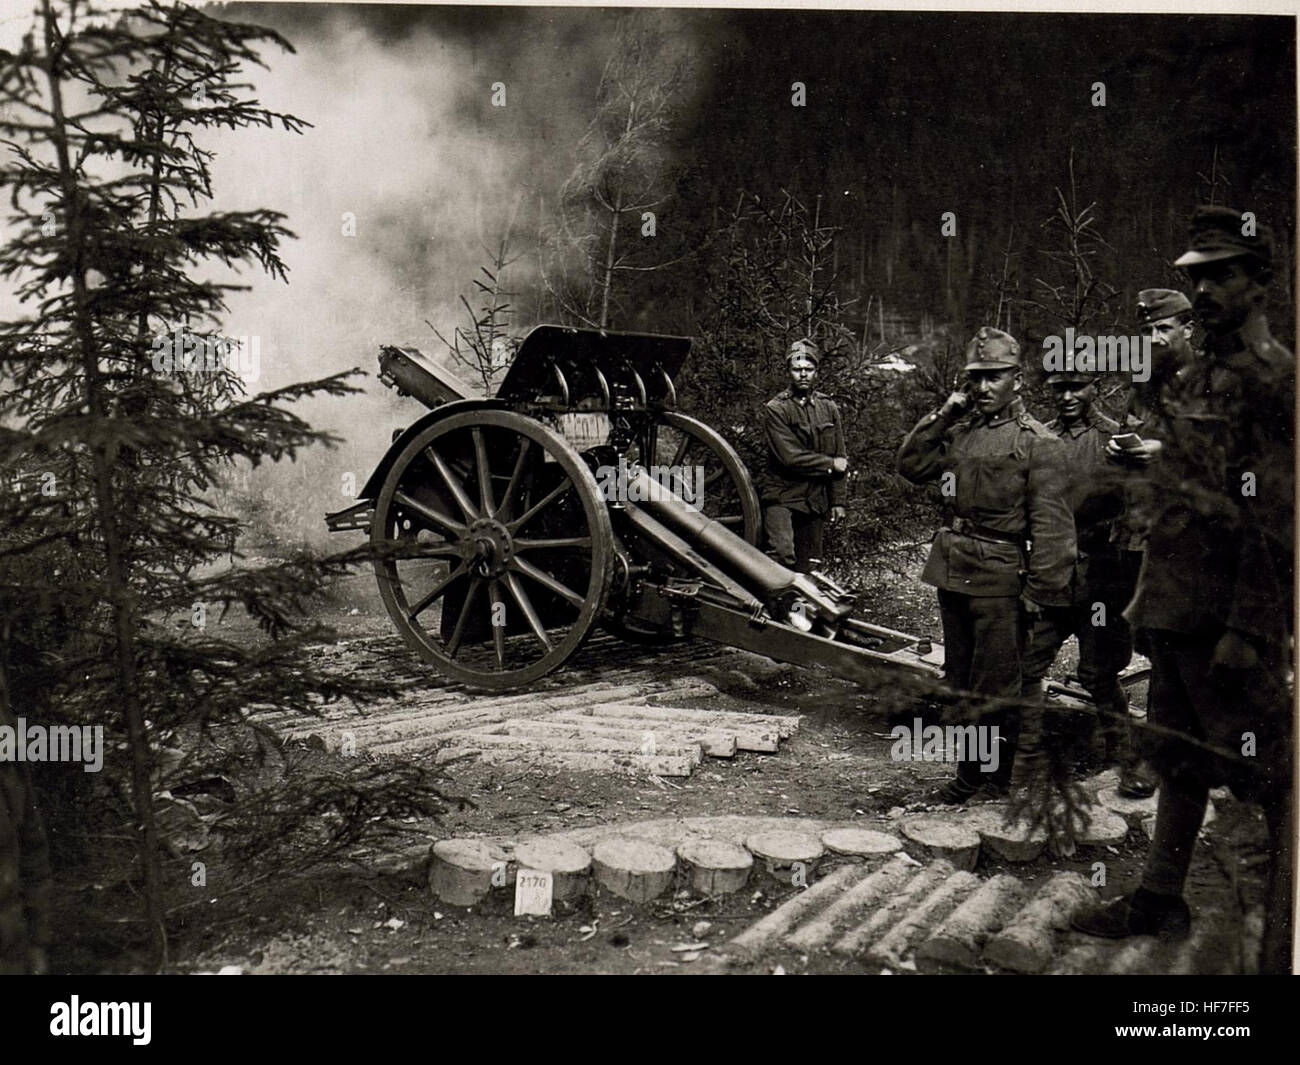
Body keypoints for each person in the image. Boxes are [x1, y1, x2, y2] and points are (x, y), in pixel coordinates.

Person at [1072, 206, 1294, 975]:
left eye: (1221, 274)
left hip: (1227, 621)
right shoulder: (1195, 375)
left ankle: (1278, 935)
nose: (1202, 290)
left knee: (1267, 776)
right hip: (1171, 604)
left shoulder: (1276, 381)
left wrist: (1250, 628)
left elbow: (1276, 521)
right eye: (1194, 277)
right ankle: (1161, 895)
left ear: (1261, 281)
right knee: (1175, 757)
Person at [897, 326, 1076, 803]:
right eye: (976, 378)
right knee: (960, 682)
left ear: (1017, 378)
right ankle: (971, 776)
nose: (983, 387)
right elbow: (911, 463)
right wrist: (946, 409)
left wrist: (1041, 598)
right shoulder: (962, 430)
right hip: (954, 570)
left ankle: (995, 783)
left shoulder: (1039, 443)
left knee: (997, 687)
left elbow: (1055, 532)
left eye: (994, 377)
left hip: (1000, 577)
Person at [1018, 363, 1157, 799]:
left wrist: (1084, 540)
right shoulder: (1042, 437)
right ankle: (1024, 756)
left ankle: (1124, 758)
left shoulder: (1114, 441)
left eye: (1077, 387)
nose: (1067, 396)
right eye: (1059, 388)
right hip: (1050, 576)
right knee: (1028, 664)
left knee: (1098, 673)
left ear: (1094, 388)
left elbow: (1131, 508)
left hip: (1099, 576)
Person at [761, 338, 848, 573]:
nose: (802, 374)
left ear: (816, 372)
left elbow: (841, 454)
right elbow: (789, 457)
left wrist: (838, 501)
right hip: (783, 497)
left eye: (808, 369)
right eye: (797, 369)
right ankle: (774, 610)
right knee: (781, 557)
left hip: (814, 499)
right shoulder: (776, 408)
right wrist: (830, 464)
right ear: (789, 371)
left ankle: (800, 611)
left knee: (810, 567)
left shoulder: (828, 407)